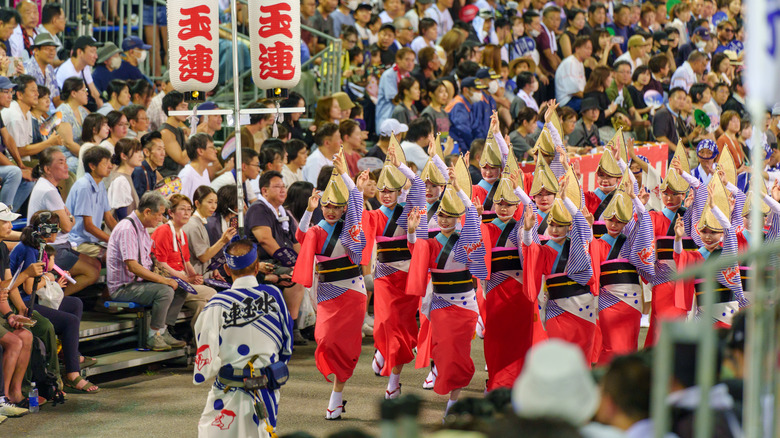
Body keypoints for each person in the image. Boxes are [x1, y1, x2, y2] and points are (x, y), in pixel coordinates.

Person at [292, 155, 370, 419]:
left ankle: (336, 396)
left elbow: (357, 202)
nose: (331, 210)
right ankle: (336, 391)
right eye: (326, 205)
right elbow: (300, 237)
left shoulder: (350, 228)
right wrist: (308, 210)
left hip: (353, 291)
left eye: (337, 206)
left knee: (347, 346)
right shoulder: (315, 230)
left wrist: (345, 173)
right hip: (326, 293)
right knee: (324, 339)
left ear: (345, 208)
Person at [406, 162, 487, 416]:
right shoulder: (429, 242)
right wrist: (410, 233)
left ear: (457, 216)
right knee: (442, 351)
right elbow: (417, 252)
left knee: (457, 353)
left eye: (449, 215)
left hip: (465, 303)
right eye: (440, 215)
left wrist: (457, 188)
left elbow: (473, 218)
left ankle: (453, 403)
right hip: (440, 304)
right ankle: (450, 389)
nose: (443, 220)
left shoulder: (466, 237)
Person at [193, 239, 293, 436]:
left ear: (226, 270)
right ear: (257, 267)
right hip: (267, 386)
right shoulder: (274, 295)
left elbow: (206, 354)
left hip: (229, 386)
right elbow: (286, 343)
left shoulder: (217, 304)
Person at [8, 211, 100, 394]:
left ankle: (70, 353)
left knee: (75, 304)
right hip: (23, 301)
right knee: (70, 321)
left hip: (33, 296)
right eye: (56, 229)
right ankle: (73, 374)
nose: (58, 233)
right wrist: (48, 277)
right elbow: (28, 288)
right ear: (46, 230)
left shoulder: (38, 245)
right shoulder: (29, 249)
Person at [364, 144, 426, 398]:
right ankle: (383, 350)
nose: (386, 195)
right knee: (384, 325)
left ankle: (394, 380)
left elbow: (420, 185)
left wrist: (399, 164)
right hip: (384, 277)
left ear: (401, 191)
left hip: (408, 277)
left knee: (405, 331)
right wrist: (357, 188)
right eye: (381, 191)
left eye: (391, 191)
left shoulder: (407, 212)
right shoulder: (374, 215)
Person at [521, 172, 596, 360]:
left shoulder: (578, 243)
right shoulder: (544, 250)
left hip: (583, 305)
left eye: (560, 226)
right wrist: (528, 230)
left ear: (569, 227)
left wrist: (565, 200)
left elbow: (584, 228)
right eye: (551, 225)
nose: (554, 230)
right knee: (558, 357)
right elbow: (530, 250)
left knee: (581, 357)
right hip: (557, 308)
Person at [107, 191, 188, 351]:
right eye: (159, 215)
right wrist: (164, 280)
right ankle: (153, 335)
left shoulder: (143, 228)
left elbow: (148, 261)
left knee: (180, 289)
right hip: (124, 288)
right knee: (165, 291)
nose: (161, 219)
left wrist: (169, 277)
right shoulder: (127, 228)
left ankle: (163, 331)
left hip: (139, 283)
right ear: (147, 212)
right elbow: (133, 266)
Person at [27, 148, 101, 296]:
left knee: (96, 264)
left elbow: (67, 220)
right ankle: (54, 300)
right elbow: (67, 226)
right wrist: (71, 219)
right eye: (61, 162)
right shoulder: (48, 191)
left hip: (61, 245)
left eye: (66, 161)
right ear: (48, 169)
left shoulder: (50, 187)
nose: (66, 166)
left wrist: (69, 219)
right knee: (91, 273)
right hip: (51, 248)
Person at [245, 171, 307, 344]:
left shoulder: (283, 211)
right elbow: (265, 240)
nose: (282, 190)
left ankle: (302, 325)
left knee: (308, 271)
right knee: (296, 276)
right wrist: (291, 263)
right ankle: (291, 328)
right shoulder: (258, 209)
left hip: (281, 260)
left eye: (283, 186)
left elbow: (295, 242)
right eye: (277, 186)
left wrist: (304, 262)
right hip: (262, 263)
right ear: (264, 191)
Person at [0, 202, 43, 413]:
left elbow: (5, 289)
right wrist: (27, 274)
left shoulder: (1, 248)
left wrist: (12, 313)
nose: (10, 225)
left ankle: (15, 394)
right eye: (5, 221)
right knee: (13, 342)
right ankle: (3, 398)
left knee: (26, 336)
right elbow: (4, 288)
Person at [151, 194, 217, 331]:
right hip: (169, 281)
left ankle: (199, 344)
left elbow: (186, 261)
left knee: (202, 306)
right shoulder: (163, 231)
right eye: (182, 209)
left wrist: (195, 277)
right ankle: (163, 332)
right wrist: (185, 278)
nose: (187, 213)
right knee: (212, 293)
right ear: (171, 212)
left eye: (189, 209)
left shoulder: (182, 234)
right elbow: (160, 263)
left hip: (182, 281)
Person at [65, 146, 117, 259]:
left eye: (110, 162)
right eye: (105, 163)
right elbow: (88, 226)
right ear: (92, 166)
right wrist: (114, 241)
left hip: (91, 241)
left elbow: (109, 217)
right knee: (114, 255)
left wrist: (122, 235)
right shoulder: (84, 186)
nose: (110, 166)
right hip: (77, 242)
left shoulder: (101, 184)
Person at [182, 186, 236, 279]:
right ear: (197, 203)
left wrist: (213, 270)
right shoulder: (193, 225)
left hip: (205, 275)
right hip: (196, 278)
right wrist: (223, 241)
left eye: (215, 202)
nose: (214, 206)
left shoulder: (201, 222)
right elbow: (203, 257)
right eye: (210, 202)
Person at [54, 35, 103, 109]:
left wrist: (104, 111)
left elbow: (94, 92)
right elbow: (73, 104)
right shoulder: (67, 71)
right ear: (80, 52)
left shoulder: (85, 67)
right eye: (92, 51)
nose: (96, 56)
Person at [375, 47, 415, 134]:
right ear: (398, 59)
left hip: (401, 119)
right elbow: (395, 100)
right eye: (407, 60)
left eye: (412, 60)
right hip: (388, 117)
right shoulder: (389, 75)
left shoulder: (409, 76)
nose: (410, 63)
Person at [55, 77, 89, 173]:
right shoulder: (62, 112)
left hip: (79, 153)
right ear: (73, 93)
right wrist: (90, 156)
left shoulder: (82, 111)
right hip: (65, 155)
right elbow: (68, 144)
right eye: (83, 90)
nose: (87, 93)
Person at [105, 138, 143, 220]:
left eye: (140, 151)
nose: (141, 155)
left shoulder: (125, 176)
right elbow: (122, 216)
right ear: (123, 156)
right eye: (136, 152)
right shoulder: (120, 180)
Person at [446, 77, 485, 154]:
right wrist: (475, 147)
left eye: (480, 90)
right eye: (476, 90)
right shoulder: (458, 105)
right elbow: (463, 130)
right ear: (466, 90)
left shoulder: (469, 103)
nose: (480, 93)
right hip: (456, 146)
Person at [24, 33, 61, 108]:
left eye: (53, 49)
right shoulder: (27, 68)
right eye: (47, 49)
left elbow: (56, 98)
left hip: (47, 110)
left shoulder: (50, 68)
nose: (52, 52)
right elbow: (31, 104)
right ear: (36, 51)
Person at [555, 36, 591, 111]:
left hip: (575, 98)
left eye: (591, 49)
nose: (589, 51)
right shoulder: (570, 63)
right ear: (577, 49)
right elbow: (575, 91)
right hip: (566, 101)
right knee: (591, 105)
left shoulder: (580, 63)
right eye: (586, 48)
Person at [160, 90, 190, 177]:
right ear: (171, 109)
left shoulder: (179, 130)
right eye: (183, 107)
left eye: (187, 107)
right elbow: (182, 160)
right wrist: (194, 135)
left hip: (178, 180)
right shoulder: (165, 132)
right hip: (167, 183)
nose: (186, 111)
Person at [178, 133, 216, 201]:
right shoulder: (187, 175)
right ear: (200, 151)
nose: (215, 151)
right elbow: (181, 205)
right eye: (212, 148)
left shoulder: (204, 171)